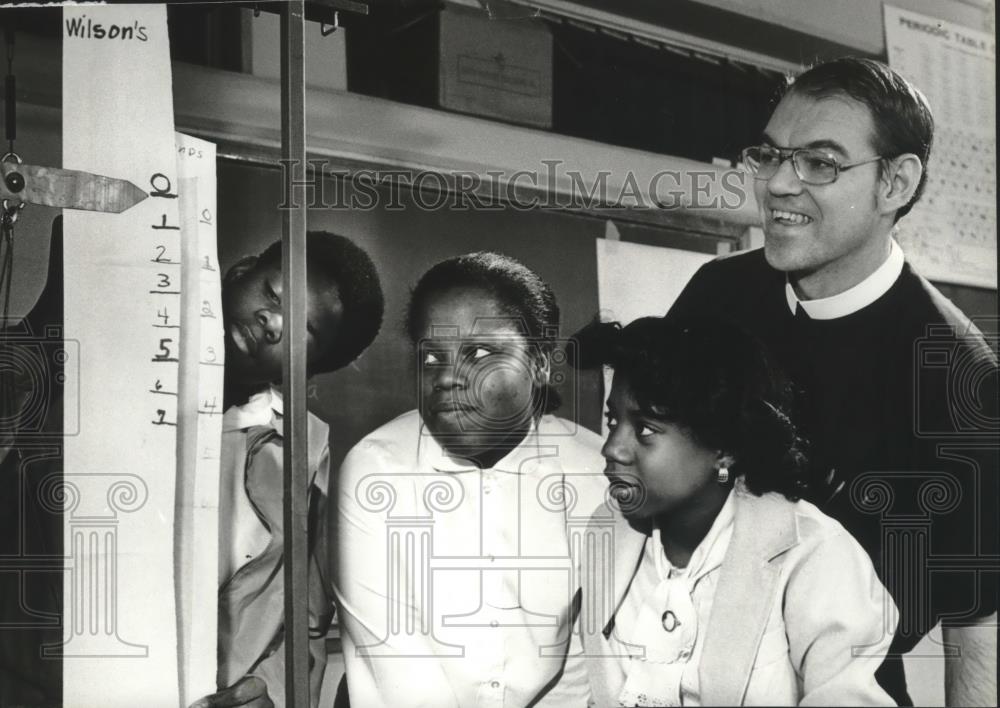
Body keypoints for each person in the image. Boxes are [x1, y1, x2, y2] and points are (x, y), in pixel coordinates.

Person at [668, 57, 997, 705]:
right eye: (771, 155)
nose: (780, 185)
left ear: (895, 183)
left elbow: (977, 620)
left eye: (820, 163)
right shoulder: (717, 297)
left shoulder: (959, 378)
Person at [577, 316, 898, 706]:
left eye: (645, 428)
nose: (612, 448)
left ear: (723, 447)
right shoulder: (608, 529)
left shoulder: (814, 553)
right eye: (613, 421)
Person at [334, 252, 607, 707]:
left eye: (478, 353)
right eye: (431, 356)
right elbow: (400, 677)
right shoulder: (377, 470)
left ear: (538, 363)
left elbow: (584, 670)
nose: (446, 377)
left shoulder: (595, 470)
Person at [193, 230, 384, 708]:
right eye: (272, 293)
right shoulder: (107, 365)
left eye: (304, 332)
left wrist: (271, 695)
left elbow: (305, 617)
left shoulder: (305, 447)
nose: (272, 321)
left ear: (307, 367)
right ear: (239, 273)